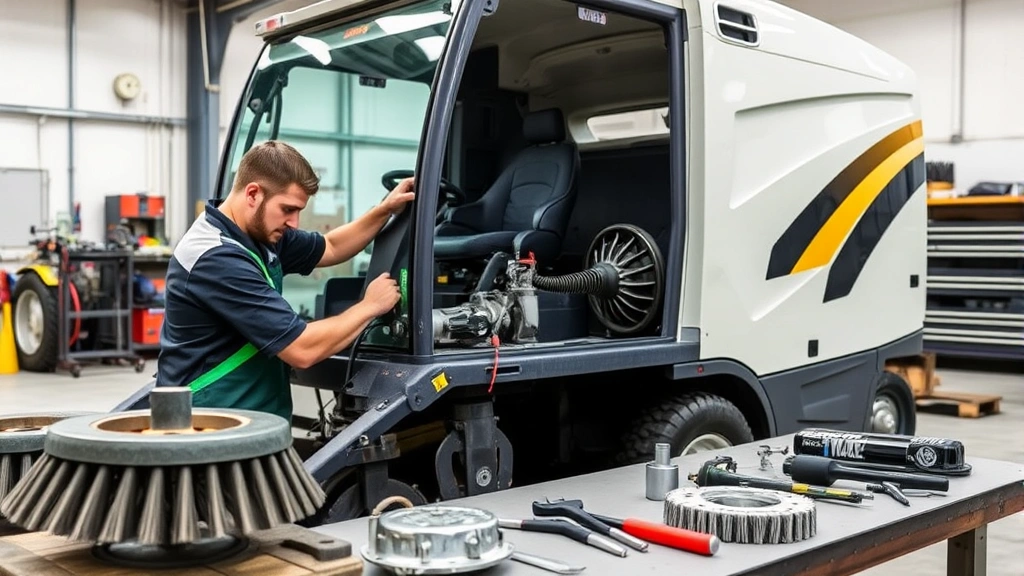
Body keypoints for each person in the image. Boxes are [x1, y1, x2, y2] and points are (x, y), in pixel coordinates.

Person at [155, 140, 415, 421]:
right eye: (288, 209)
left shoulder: (255, 233)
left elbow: (331, 246)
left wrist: (385, 209)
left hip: (246, 419)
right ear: (253, 193)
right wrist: (370, 306)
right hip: (209, 426)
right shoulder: (216, 258)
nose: (294, 223)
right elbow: (302, 348)